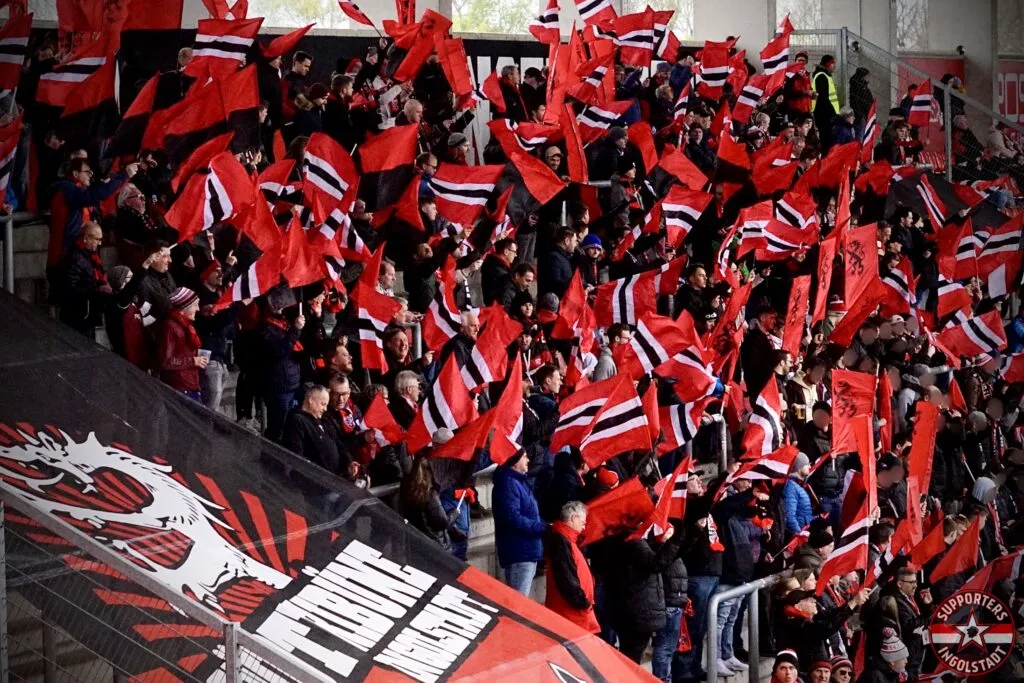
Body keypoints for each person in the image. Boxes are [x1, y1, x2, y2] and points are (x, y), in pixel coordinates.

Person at [492, 449, 546, 597]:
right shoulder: (508, 483)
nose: (528, 460)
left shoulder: (518, 481)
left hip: (527, 551)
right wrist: (540, 527)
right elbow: (512, 518)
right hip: (519, 552)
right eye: (524, 457)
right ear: (515, 462)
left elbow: (530, 513)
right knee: (517, 605)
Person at [543, 500, 599, 632]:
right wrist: (582, 603)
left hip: (574, 612)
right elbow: (566, 578)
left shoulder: (565, 539)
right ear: (573, 518)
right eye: (583, 523)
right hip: (571, 614)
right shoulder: (561, 542)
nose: (584, 527)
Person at [399, 452, 465, 551]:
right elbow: (442, 522)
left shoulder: (406, 488)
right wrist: (454, 513)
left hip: (415, 543)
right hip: (435, 543)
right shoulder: (429, 494)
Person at [58, 221, 111, 336]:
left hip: (88, 312)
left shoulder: (89, 255)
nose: (99, 243)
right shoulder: (75, 257)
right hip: (78, 314)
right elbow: (70, 287)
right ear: (86, 238)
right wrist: (96, 291)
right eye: (97, 239)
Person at [282, 384, 346, 473]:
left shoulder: (324, 420)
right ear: (311, 400)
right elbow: (296, 455)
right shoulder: (297, 421)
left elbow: (337, 442)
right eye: (323, 404)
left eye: (326, 405)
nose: (325, 409)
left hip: (336, 476)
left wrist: (349, 462)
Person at [157, 287, 206, 401]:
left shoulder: (186, 325)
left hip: (191, 383)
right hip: (179, 386)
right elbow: (165, 361)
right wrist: (193, 361)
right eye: (195, 305)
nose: (198, 309)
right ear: (184, 307)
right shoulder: (170, 326)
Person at [812, 55, 840, 150]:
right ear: (828, 64)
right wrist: (832, 113)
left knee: (828, 141)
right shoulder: (822, 77)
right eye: (833, 64)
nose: (834, 66)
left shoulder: (825, 76)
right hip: (824, 115)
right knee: (826, 142)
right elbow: (823, 98)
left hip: (826, 114)